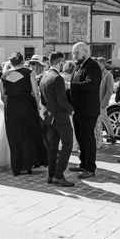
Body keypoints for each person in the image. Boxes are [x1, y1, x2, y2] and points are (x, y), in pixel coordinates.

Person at [0, 52, 47, 175]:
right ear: (22, 61)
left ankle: (18, 165)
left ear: (11, 62)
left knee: (15, 135)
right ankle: (31, 162)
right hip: (26, 105)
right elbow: (35, 92)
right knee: (31, 132)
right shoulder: (28, 73)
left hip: (10, 106)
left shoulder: (4, 76)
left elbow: (2, 96)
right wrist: (37, 105)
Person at [40, 52, 74, 186]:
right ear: (59, 62)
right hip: (60, 117)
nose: (64, 65)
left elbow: (43, 100)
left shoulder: (44, 77)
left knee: (52, 147)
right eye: (63, 62)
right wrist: (71, 108)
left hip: (49, 117)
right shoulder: (57, 78)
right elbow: (62, 101)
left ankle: (51, 175)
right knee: (67, 144)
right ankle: (58, 175)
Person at [68, 42, 102, 179]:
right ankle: (83, 162)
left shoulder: (92, 66)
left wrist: (70, 85)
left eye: (76, 52)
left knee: (88, 139)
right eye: (73, 53)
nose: (74, 55)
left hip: (88, 110)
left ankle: (90, 167)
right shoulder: (78, 66)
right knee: (81, 138)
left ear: (85, 52)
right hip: (78, 109)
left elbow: (90, 84)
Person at [95, 57, 116, 146]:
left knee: (104, 118)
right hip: (95, 101)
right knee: (102, 118)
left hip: (101, 101)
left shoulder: (108, 75)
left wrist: (104, 102)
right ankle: (109, 135)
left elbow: (109, 90)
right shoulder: (97, 73)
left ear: (103, 64)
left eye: (99, 64)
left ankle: (111, 135)